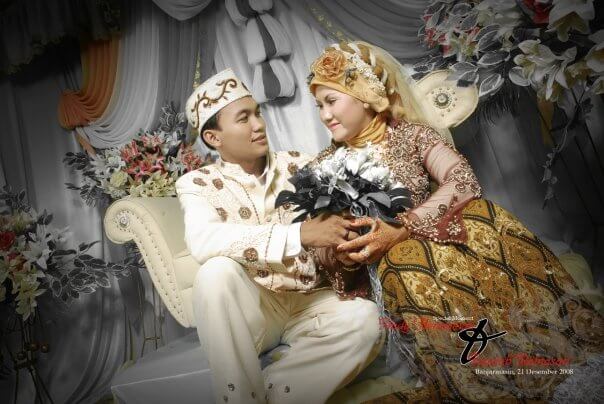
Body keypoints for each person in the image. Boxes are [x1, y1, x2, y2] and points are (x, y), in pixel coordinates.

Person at [305, 41, 604, 402]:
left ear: (365, 96)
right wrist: (345, 251)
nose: (324, 115)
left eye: (331, 101)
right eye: (319, 105)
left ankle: (547, 346)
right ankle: (486, 380)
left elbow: (462, 181)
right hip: (396, 266)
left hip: (433, 235)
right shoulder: (323, 168)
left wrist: (404, 226)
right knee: (406, 259)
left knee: (483, 215)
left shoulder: (411, 135)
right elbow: (323, 248)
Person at [175, 68, 384, 404]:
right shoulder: (196, 183)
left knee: (367, 321)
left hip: (310, 300)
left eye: (257, 113)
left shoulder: (302, 164)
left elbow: (337, 224)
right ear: (214, 138)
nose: (258, 125)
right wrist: (298, 234)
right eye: (243, 118)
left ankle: (278, 393)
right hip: (256, 310)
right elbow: (202, 240)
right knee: (214, 273)